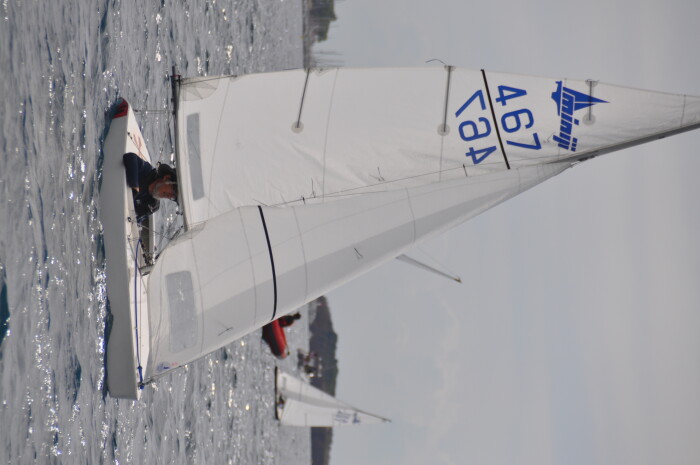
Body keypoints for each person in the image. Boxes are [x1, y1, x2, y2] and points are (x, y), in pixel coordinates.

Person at [123, 152, 178, 221]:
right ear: (166, 178)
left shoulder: (153, 206)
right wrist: (134, 187)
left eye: (174, 196)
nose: (170, 196)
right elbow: (130, 157)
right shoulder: (146, 171)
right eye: (173, 191)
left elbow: (135, 220)